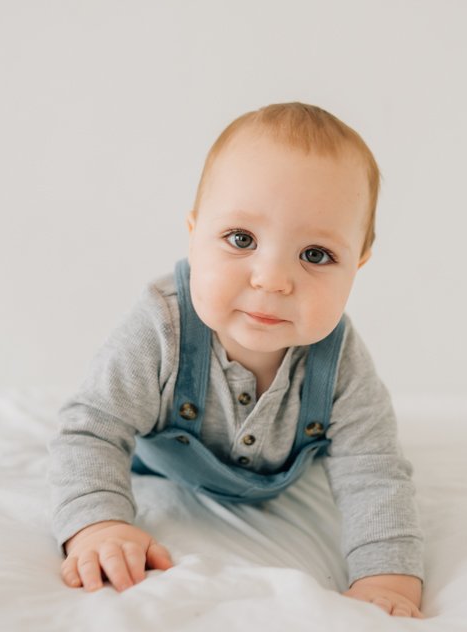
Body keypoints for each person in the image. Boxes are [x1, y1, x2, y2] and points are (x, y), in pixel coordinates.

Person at [49, 102, 424, 617]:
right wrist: (99, 523)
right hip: (156, 464)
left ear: (357, 265)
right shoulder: (163, 328)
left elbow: (375, 473)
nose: (271, 278)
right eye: (241, 239)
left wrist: (388, 578)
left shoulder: (340, 363)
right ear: (194, 233)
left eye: (316, 254)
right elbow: (91, 429)